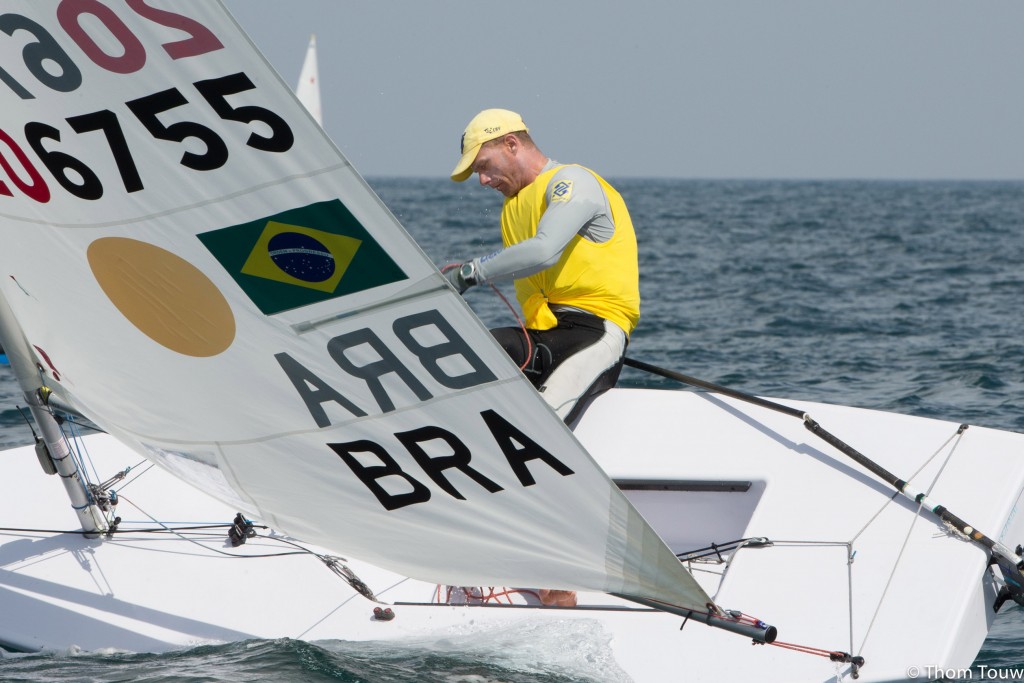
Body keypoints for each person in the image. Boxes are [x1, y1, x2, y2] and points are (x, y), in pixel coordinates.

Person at [446, 108, 641, 428]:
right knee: (470, 353)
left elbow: (544, 251)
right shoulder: (513, 207)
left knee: (540, 433)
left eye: (483, 166)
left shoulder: (572, 181)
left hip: (592, 335)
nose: (482, 181)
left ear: (511, 144)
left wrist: (469, 274)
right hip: (541, 336)